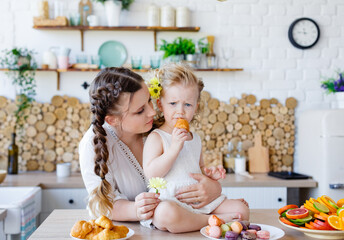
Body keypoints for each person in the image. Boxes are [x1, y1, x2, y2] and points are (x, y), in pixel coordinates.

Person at [79, 67, 227, 233]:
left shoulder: (158, 129)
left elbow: (190, 170)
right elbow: (103, 204)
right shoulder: (94, 144)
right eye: (140, 110)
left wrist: (214, 187)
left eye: (149, 100)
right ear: (112, 120)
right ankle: (213, 221)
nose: (152, 112)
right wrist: (136, 209)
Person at [142, 63, 249, 231]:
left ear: (196, 107)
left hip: (199, 202)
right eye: (173, 103)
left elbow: (199, 169)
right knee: (165, 214)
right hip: (171, 201)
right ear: (160, 104)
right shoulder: (157, 137)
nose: (180, 111)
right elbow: (150, 174)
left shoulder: (195, 138)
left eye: (187, 105)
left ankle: (206, 219)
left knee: (241, 210)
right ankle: (212, 221)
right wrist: (174, 148)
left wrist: (210, 175)